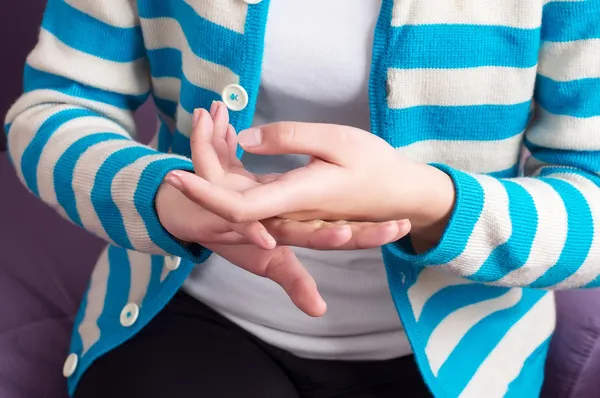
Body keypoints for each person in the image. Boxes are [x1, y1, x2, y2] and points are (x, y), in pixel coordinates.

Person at [5, 0, 599, 397]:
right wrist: (166, 197)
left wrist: (435, 202)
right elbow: (52, 113)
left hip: (466, 356)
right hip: (188, 313)